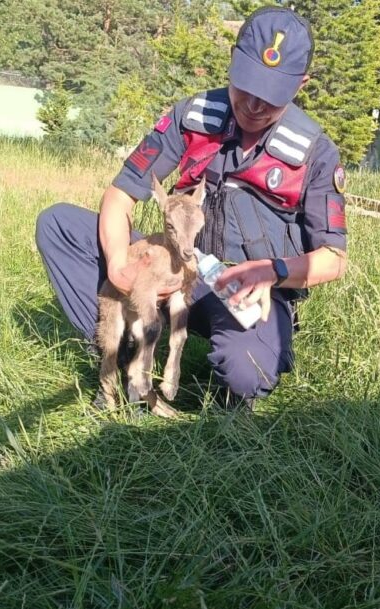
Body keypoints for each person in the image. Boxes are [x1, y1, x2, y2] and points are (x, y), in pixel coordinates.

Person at [34, 6, 348, 410]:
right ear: (233, 61)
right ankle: (121, 352)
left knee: (248, 369)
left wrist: (271, 272)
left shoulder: (314, 152)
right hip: (175, 264)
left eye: (270, 97)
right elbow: (119, 195)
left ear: (301, 85)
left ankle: (231, 391)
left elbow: (334, 259)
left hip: (244, 286)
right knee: (58, 225)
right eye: (246, 85)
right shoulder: (194, 116)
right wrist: (118, 264)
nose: (253, 104)